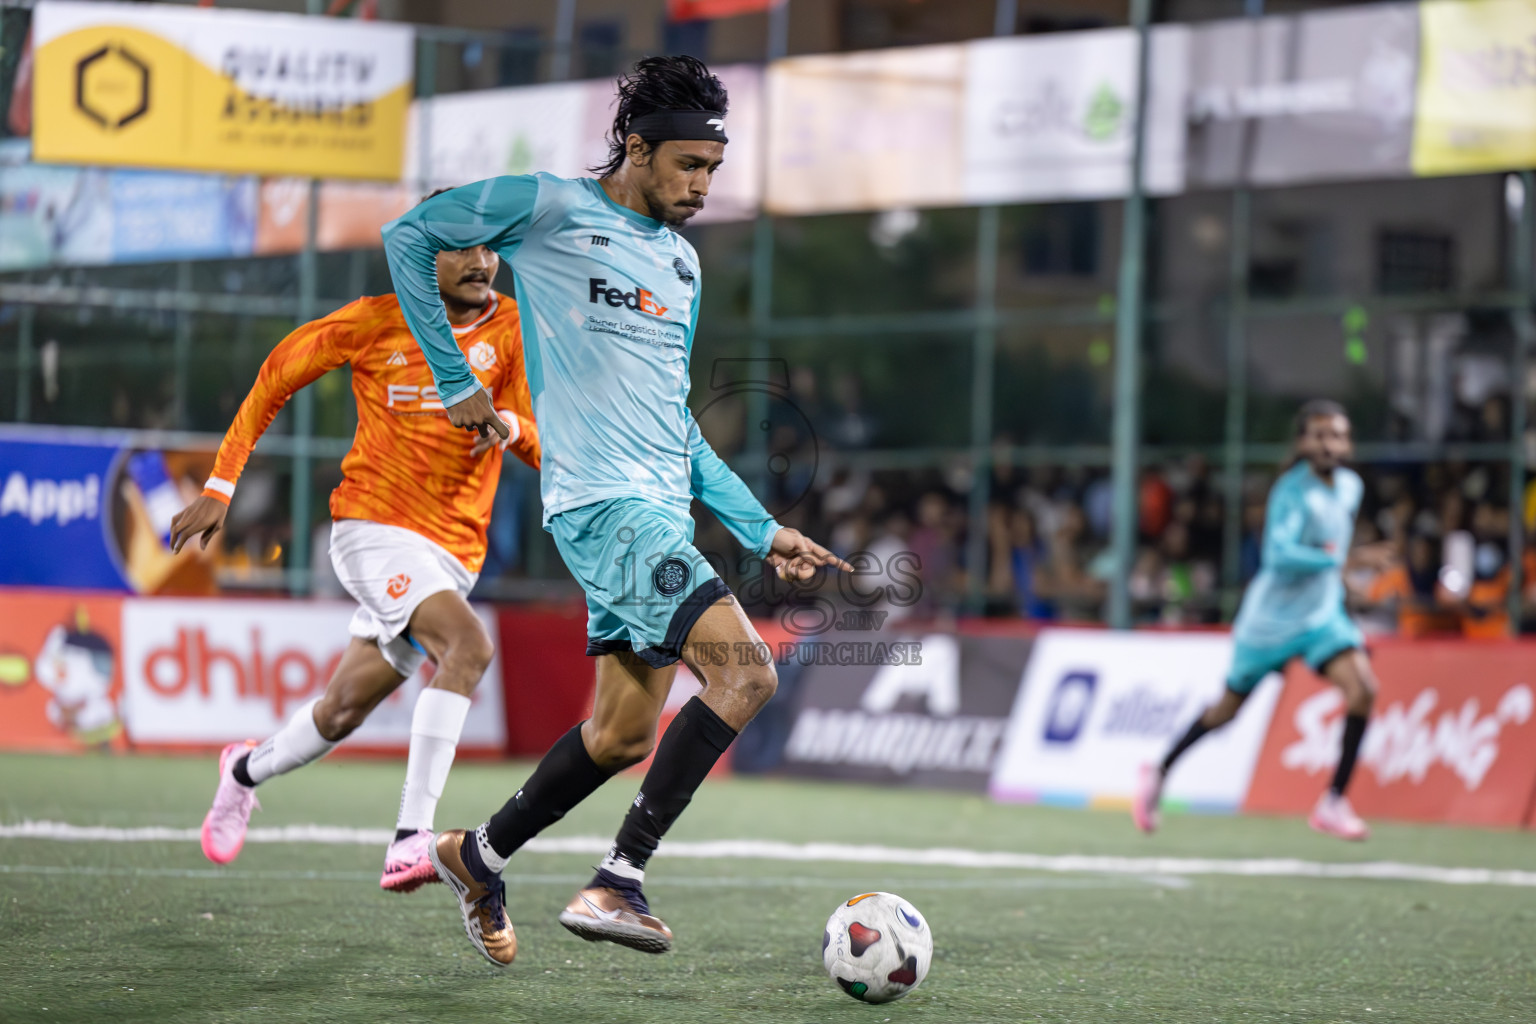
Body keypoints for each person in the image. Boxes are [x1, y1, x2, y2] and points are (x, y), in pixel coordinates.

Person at [381, 55, 850, 966]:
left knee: (622, 732)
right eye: (688, 166)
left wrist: (762, 528)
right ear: (635, 149)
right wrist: (452, 378)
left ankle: (474, 856)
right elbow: (410, 235)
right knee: (748, 675)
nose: (703, 186)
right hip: (602, 510)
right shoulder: (551, 207)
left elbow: (676, 424)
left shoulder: (681, 265)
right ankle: (619, 879)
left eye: (713, 169)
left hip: (656, 517)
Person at [169, 225, 539, 892]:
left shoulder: (514, 331)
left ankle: (242, 771)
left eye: (490, 249)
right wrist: (221, 485)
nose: (482, 262)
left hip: (454, 552)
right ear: (424, 259)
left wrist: (508, 427)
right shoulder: (377, 320)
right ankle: (411, 840)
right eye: (463, 248)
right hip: (371, 527)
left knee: (340, 712)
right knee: (469, 648)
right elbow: (275, 377)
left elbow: (546, 443)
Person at [1133, 400, 1390, 841]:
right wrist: (1338, 561)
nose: (1331, 443)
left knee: (1363, 689)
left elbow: (1332, 549)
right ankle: (1158, 771)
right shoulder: (1292, 491)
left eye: (1338, 435)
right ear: (1303, 441)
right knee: (1225, 712)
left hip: (1321, 617)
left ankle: (1333, 802)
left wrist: (1344, 578)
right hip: (1269, 622)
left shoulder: (1350, 486)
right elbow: (1279, 554)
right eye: (1320, 434)